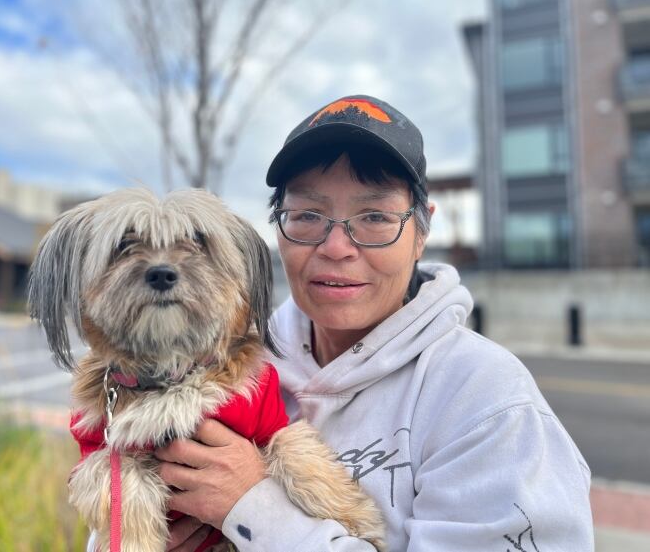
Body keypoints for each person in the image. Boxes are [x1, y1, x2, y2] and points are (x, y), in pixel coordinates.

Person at [153, 95, 594, 551]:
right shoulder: (222, 364)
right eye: (307, 216)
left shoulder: (485, 401)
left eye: (375, 217)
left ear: (421, 233)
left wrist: (254, 508)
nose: (337, 247)